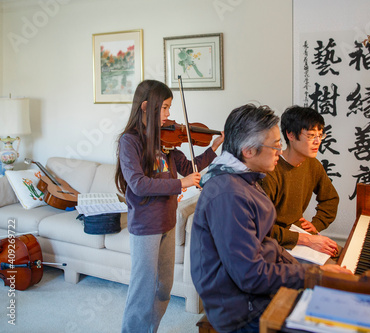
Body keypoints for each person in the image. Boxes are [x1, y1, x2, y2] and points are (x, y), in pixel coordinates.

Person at [190, 104, 351, 333]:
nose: (279, 151)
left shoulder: (246, 179)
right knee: (337, 321)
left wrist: (305, 270)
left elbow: (266, 245)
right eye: (275, 146)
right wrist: (314, 274)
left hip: (257, 287)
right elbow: (250, 276)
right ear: (248, 150)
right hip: (243, 308)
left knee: (337, 296)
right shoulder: (229, 194)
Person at [115, 79, 223, 333]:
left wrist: (213, 148)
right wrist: (179, 184)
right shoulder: (130, 142)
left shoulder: (167, 141)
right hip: (145, 225)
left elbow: (188, 168)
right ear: (145, 107)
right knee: (142, 287)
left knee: (164, 286)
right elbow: (139, 184)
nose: (168, 115)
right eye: (164, 108)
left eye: (169, 107)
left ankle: (149, 329)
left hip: (168, 221)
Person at [260, 106, 340, 258]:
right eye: (310, 136)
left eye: (320, 135)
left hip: (299, 234)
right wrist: (307, 239)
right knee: (331, 270)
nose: (317, 142)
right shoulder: (271, 171)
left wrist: (316, 225)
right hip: (274, 243)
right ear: (290, 134)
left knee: (339, 255)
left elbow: (330, 199)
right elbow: (262, 228)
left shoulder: (312, 164)